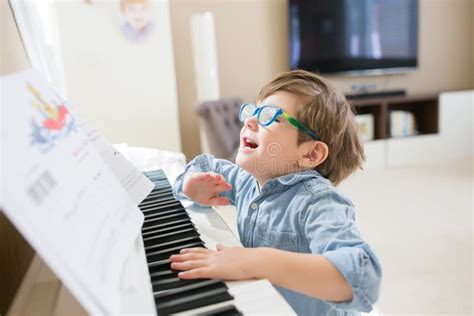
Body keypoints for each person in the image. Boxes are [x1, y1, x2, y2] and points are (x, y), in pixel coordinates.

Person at [170, 69, 382, 315]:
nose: (249, 121)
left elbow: (364, 278)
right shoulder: (248, 179)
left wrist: (252, 262)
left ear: (310, 154)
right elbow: (204, 166)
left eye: (271, 117)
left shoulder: (317, 202)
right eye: (254, 111)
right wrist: (191, 184)